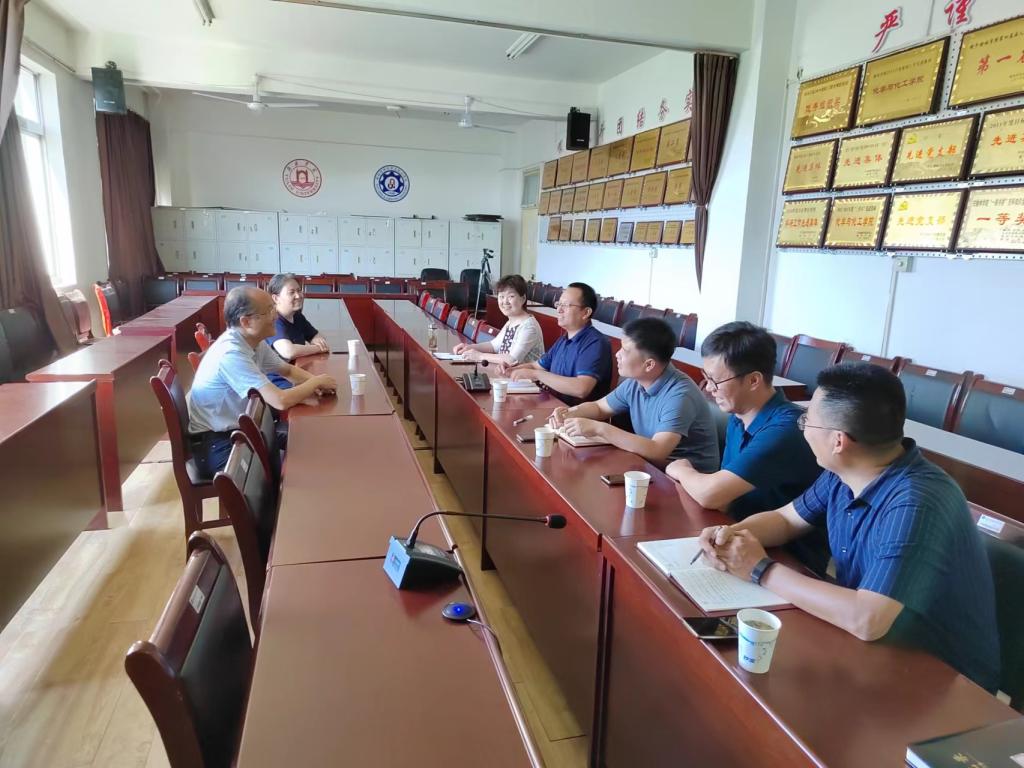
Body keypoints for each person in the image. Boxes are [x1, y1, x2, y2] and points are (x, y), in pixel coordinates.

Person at [694, 363, 999, 691]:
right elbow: (786, 519)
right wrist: (734, 535)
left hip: (942, 681)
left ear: (838, 441)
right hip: (869, 648)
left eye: (806, 421)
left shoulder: (917, 501)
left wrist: (759, 569)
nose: (802, 428)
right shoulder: (846, 472)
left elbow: (867, 619)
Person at [667, 321, 821, 517]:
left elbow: (711, 495)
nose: (709, 387)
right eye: (706, 377)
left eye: (716, 380)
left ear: (753, 380)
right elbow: (726, 500)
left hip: (774, 535)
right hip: (737, 526)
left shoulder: (785, 429)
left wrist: (682, 468)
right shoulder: (738, 417)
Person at [188, 287, 337, 478]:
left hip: (244, 429)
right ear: (246, 321)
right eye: (268, 311)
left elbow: (288, 370)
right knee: (298, 469)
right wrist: (315, 382)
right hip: (219, 444)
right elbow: (280, 400)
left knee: (311, 440)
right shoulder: (231, 354)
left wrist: (319, 384)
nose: (275, 315)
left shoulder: (253, 341)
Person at [549, 318, 718, 468]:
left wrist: (599, 429)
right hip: (651, 467)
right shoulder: (636, 382)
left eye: (625, 350)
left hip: (684, 480)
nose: (617, 354)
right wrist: (570, 413)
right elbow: (599, 408)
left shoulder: (680, 395)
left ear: (649, 365)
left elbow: (658, 450)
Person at [506, 282, 612, 405]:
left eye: (566, 305)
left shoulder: (595, 343)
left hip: (578, 414)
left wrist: (536, 375)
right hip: (554, 407)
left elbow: (581, 389)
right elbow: (537, 366)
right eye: (559, 304)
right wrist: (512, 369)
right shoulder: (564, 339)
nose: (559, 310)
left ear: (586, 312)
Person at [452, 274, 544, 366]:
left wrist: (479, 356)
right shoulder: (511, 322)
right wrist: (469, 347)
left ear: (523, 299)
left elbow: (512, 360)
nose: (505, 301)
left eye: (511, 296)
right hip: (508, 373)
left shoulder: (529, 326)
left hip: (525, 375)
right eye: (501, 296)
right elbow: (493, 346)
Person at [265, 273, 330, 388]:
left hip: (296, 373)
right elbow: (288, 352)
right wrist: (318, 348)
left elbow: (318, 337)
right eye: (292, 292)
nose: (298, 296)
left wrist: (318, 343)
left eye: (299, 291)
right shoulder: (274, 319)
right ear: (276, 298)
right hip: (278, 382)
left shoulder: (297, 316)